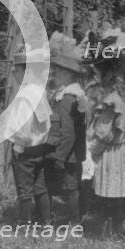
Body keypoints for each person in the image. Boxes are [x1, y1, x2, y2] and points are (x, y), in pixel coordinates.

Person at [83, 43, 125, 239]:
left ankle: (115, 231)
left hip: (113, 151)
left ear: (106, 73)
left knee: (114, 193)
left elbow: (104, 132)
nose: (94, 75)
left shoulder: (110, 98)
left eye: (96, 71)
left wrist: (94, 149)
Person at [6, 45, 53, 226]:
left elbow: (23, 127)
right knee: (40, 187)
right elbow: (47, 122)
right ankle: (46, 221)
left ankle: (25, 224)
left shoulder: (24, 96)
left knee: (24, 190)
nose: (14, 74)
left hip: (24, 149)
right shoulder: (40, 92)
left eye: (16, 70)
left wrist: (18, 146)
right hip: (39, 147)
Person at [46, 50, 87, 224]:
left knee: (70, 188)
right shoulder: (73, 95)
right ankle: (75, 218)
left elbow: (68, 132)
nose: (55, 75)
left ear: (68, 74)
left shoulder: (68, 99)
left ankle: (75, 222)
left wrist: (60, 156)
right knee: (72, 186)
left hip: (68, 153)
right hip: (73, 151)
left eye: (59, 71)